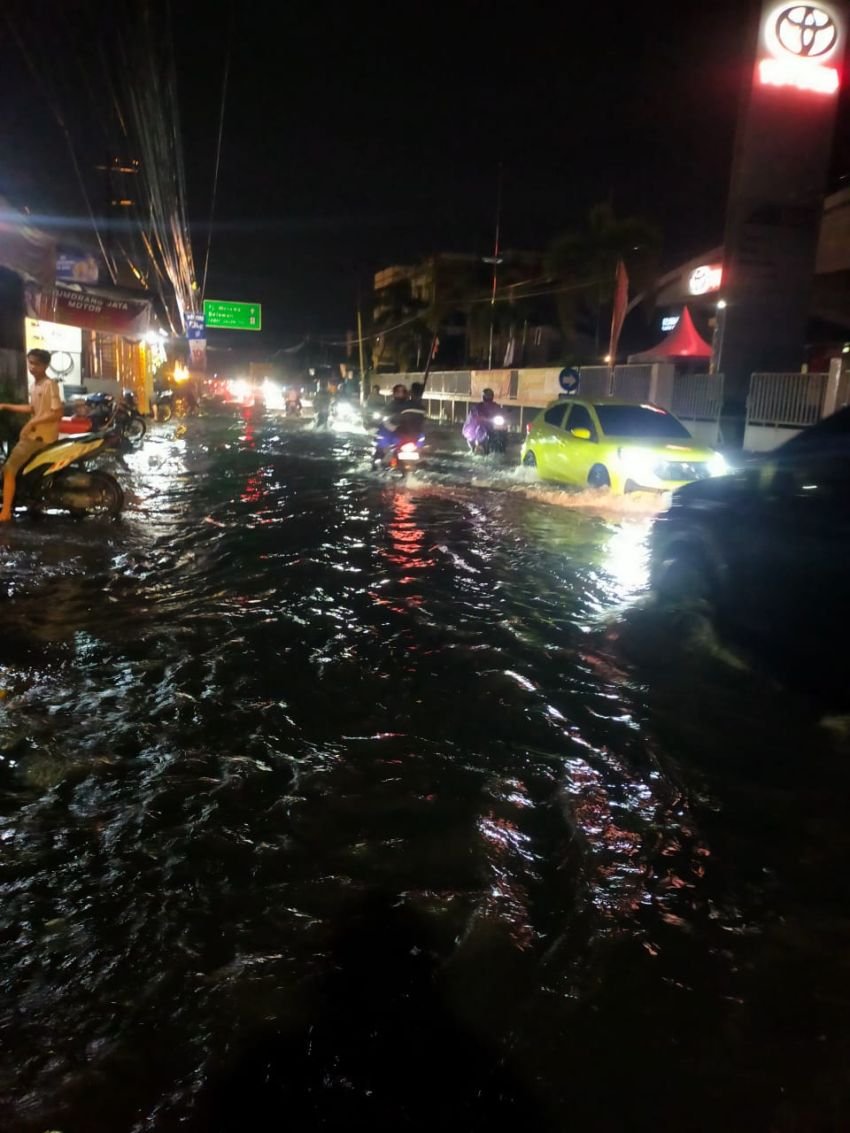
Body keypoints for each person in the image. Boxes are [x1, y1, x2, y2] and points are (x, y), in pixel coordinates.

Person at [0, 349, 64, 521]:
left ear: (45, 365)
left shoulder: (50, 384)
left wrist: (31, 423)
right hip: (34, 435)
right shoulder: (34, 386)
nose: (32, 367)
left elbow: (57, 413)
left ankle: (5, 512)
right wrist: (6, 406)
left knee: (8, 469)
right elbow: (32, 409)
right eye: (30, 362)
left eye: (36, 363)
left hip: (39, 438)